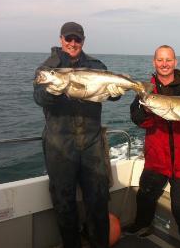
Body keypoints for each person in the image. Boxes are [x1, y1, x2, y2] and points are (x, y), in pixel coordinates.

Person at [33, 22, 124, 248]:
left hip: (92, 143)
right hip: (59, 145)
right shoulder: (48, 67)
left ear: (83, 40)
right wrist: (51, 92)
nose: (73, 43)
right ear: (61, 39)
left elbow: (111, 94)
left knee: (99, 200)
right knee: (64, 203)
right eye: (68, 39)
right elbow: (39, 97)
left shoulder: (96, 65)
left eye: (77, 39)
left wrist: (115, 94)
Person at [127, 45, 180, 248]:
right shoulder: (146, 91)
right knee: (145, 195)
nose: (164, 64)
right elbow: (137, 119)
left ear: (175, 62)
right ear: (154, 62)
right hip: (156, 158)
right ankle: (142, 226)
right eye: (160, 60)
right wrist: (148, 111)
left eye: (168, 60)